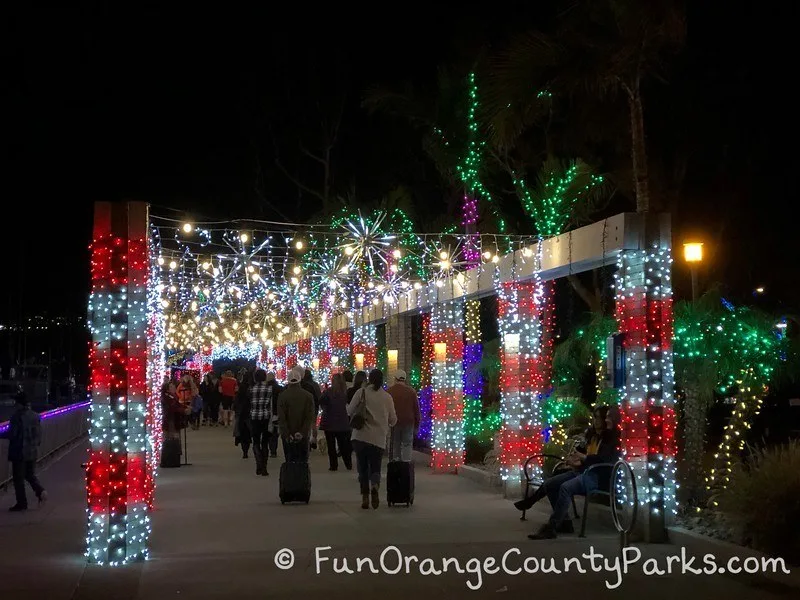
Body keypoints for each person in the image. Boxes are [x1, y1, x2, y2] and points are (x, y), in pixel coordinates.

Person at [527, 406, 621, 540]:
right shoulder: (593, 436)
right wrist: (576, 462)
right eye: (602, 418)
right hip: (584, 472)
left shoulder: (612, 439)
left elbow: (603, 461)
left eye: (605, 417)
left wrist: (583, 458)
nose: (604, 420)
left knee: (566, 487)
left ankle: (551, 527)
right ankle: (564, 522)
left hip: (597, 477)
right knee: (550, 484)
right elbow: (588, 457)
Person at [514, 405, 611, 514]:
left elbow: (598, 460)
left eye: (598, 418)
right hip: (580, 471)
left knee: (555, 484)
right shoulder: (591, 437)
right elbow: (581, 456)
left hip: (590, 475)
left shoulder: (607, 440)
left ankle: (537, 505)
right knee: (551, 481)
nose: (595, 421)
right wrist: (573, 461)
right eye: (594, 417)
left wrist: (580, 459)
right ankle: (560, 518)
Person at [347, 369, 397, 510]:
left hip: (360, 437)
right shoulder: (387, 397)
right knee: (375, 467)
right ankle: (375, 485)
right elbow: (393, 420)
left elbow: (349, 410)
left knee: (362, 468)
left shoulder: (361, 393)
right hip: (378, 438)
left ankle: (365, 497)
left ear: (369, 379)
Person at [1, 392, 47, 511]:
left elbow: (13, 434)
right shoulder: (35, 415)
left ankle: (22, 503)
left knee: (18, 479)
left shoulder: (17, 417)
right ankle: (40, 491)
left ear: (19, 403)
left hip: (19, 451)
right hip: (32, 450)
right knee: (30, 474)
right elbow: (39, 434)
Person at [278, 366, 315, 462]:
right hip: (303, 433)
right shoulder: (308, 396)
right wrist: (302, 432)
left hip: (288, 434)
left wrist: (287, 433)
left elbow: (282, 418)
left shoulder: (283, 396)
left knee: (289, 459)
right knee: (303, 459)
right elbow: (309, 416)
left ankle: (291, 475)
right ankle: (302, 476)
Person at [319, 373, 352, 471]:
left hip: (329, 423)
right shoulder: (346, 393)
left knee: (331, 446)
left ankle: (333, 465)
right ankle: (348, 463)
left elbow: (321, 401)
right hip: (343, 423)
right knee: (344, 445)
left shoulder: (328, 392)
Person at [386, 370, 420, 462]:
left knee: (395, 443)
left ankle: (396, 462)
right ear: (404, 379)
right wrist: (417, 424)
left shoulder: (389, 391)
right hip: (408, 421)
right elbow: (416, 409)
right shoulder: (411, 391)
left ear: (395, 379)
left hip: (394, 422)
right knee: (407, 443)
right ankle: (406, 463)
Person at [249, 369, 273, 476]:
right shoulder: (269, 389)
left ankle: (258, 464)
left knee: (256, 441)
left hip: (254, 417)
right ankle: (264, 467)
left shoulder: (251, 389)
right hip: (266, 417)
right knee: (265, 442)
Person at [234, 371, 253, 459]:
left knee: (242, 432)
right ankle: (247, 449)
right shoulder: (251, 388)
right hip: (249, 413)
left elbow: (236, 401)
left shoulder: (241, 389)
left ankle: (244, 451)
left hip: (241, 414)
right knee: (248, 433)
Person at [301, 369, 322, 449]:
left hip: (306, 408)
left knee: (306, 425)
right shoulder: (315, 384)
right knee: (313, 425)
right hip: (315, 407)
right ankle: (314, 440)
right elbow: (319, 396)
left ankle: (307, 441)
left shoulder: (304, 385)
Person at [265, 372, 283, 458]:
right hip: (277, 413)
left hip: (266, 413)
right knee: (275, 433)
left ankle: (269, 449)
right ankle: (273, 450)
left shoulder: (265, 388)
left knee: (268, 432)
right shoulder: (279, 388)